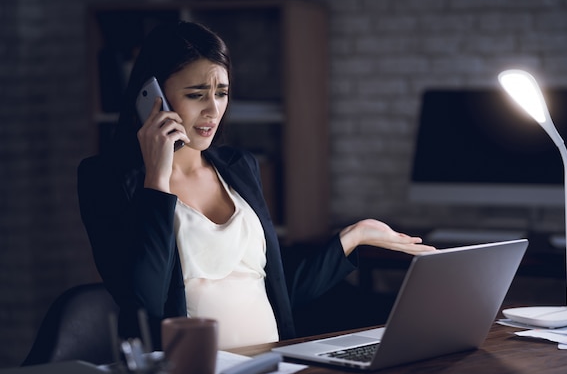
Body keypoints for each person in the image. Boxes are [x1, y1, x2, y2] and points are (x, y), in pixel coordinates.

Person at [77, 20, 435, 350]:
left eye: (222, 93)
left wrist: (355, 234)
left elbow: (279, 291)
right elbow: (144, 302)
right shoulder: (106, 181)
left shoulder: (239, 166)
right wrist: (157, 179)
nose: (213, 110)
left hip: (273, 371)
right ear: (154, 97)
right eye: (196, 94)